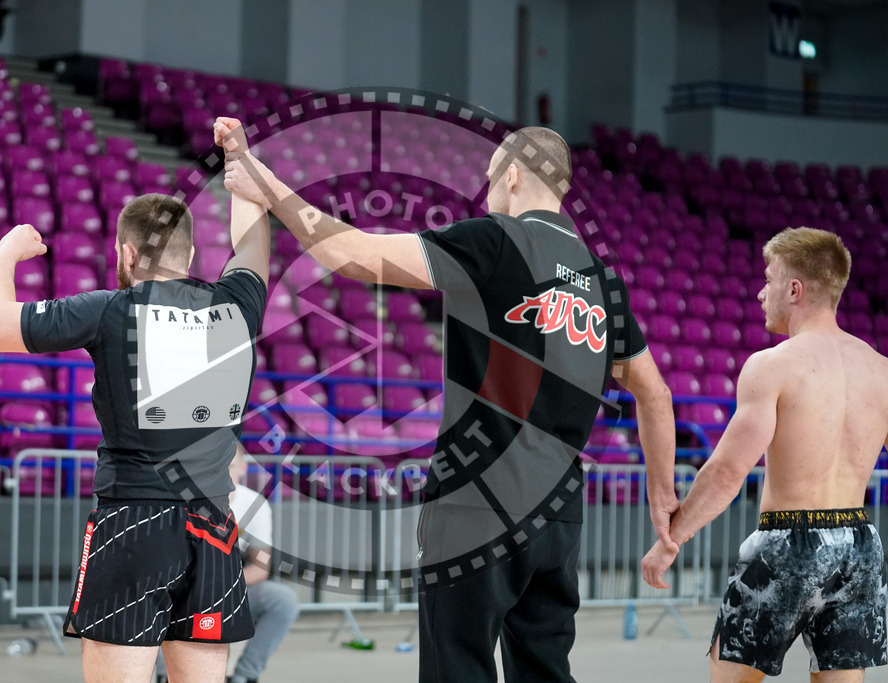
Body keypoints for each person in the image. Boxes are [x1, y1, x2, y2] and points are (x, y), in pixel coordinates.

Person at [221, 118, 678, 682]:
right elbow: (654, 394)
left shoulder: (494, 240)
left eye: (489, 182)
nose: (486, 196)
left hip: (475, 506)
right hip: (558, 517)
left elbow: (354, 255)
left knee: (455, 669)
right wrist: (663, 498)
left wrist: (266, 185)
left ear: (512, 175)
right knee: (545, 670)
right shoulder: (603, 280)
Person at [0, 120, 271, 682]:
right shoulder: (237, 306)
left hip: (136, 519)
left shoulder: (112, 308)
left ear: (128, 253)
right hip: (215, 525)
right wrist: (243, 164)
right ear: (190, 252)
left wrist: (7, 251)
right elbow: (253, 244)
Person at [643, 227, 888, 681]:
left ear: (794, 289)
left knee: (730, 677)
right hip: (859, 545)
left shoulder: (772, 365)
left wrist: (670, 540)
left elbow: (727, 471)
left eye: (769, 279)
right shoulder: (880, 369)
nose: (760, 293)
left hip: (788, 544)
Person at [226, 443, 299, 683]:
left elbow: (260, 567)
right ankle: (168, 675)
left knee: (283, 600)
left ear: (243, 468)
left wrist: (223, 586)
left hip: (232, 585)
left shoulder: (255, 505)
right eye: (216, 465)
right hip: (189, 586)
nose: (223, 472)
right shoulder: (185, 501)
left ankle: (245, 676)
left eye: (231, 465)